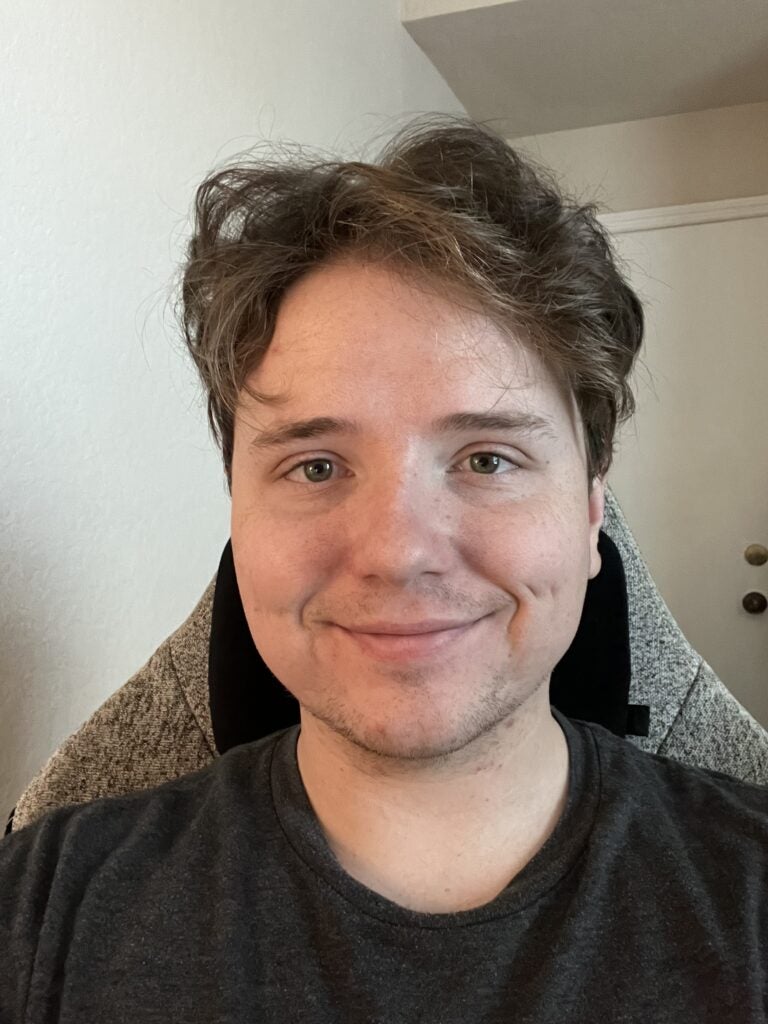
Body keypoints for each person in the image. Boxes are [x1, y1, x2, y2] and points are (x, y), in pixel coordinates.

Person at [1, 115, 766, 1023]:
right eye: (315, 466)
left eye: (487, 459)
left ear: (593, 503)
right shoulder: (45, 906)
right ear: (237, 509)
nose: (399, 551)